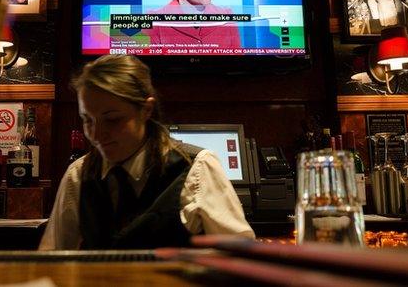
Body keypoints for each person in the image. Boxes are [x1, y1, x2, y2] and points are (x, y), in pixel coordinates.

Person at [39, 55, 254, 250]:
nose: (96, 134)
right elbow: (51, 258)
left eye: (112, 119)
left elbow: (240, 260)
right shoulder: (78, 175)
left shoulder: (197, 167)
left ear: (146, 110)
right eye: (87, 120)